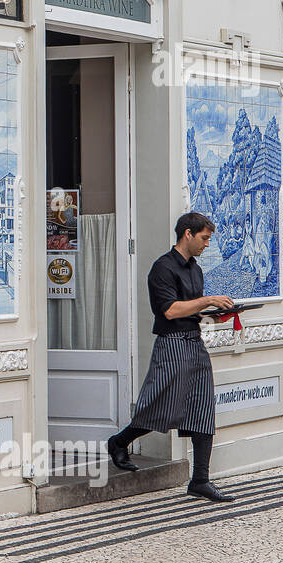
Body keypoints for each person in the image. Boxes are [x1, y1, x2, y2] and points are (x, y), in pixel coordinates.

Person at [107, 211, 237, 502]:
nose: (207, 245)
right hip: (171, 344)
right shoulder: (162, 268)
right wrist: (208, 300)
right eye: (204, 238)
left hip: (194, 341)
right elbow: (169, 310)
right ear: (187, 234)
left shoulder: (195, 269)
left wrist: (216, 316)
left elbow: (192, 311)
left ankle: (200, 481)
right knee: (162, 404)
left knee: (203, 409)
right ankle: (118, 442)